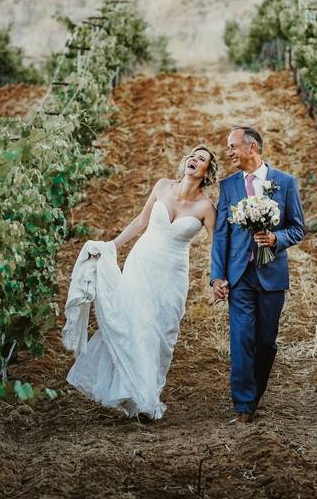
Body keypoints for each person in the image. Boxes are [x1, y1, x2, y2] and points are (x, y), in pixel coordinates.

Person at [62, 145, 217, 420]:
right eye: (193, 155)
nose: (195, 159)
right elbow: (141, 221)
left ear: (206, 173)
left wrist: (218, 278)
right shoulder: (162, 186)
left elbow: (217, 245)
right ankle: (142, 399)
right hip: (142, 263)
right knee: (136, 324)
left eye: (202, 159)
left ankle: (148, 391)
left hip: (172, 274)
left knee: (161, 335)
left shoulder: (206, 207)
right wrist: (111, 245)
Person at [209, 125, 305, 424]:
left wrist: (276, 240)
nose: (229, 152)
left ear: (253, 147)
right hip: (240, 275)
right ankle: (244, 405)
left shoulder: (285, 182)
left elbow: (298, 228)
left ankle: (255, 392)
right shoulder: (228, 186)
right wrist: (217, 276)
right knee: (241, 339)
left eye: (233, 146)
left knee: (265, 342)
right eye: (228, 147)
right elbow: (221, 237)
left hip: (272, 274)